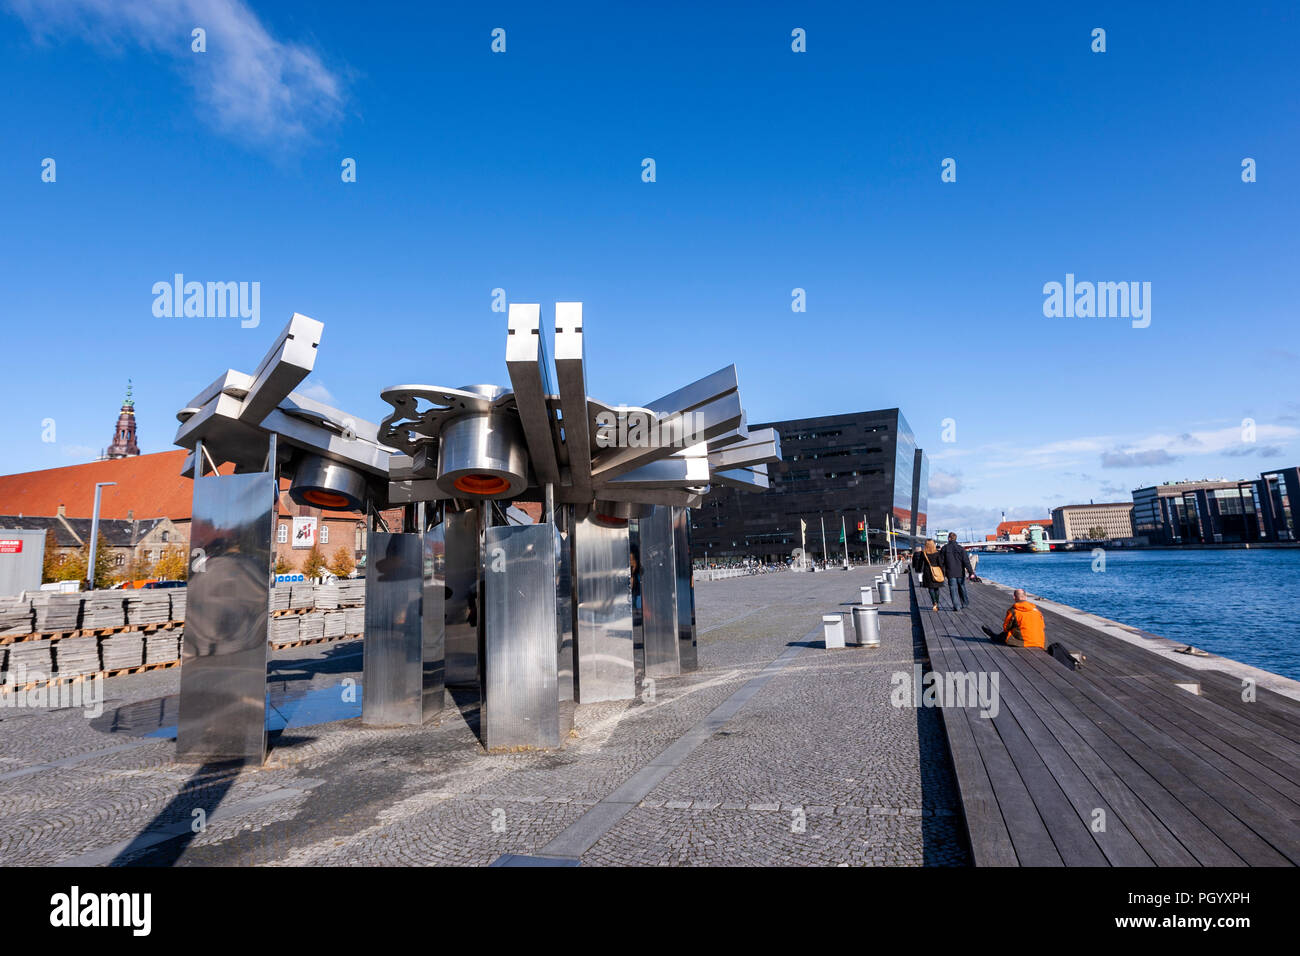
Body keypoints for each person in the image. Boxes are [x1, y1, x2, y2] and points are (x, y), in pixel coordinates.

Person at [982, 589, 1046, 648]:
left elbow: (1006, 628)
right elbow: (1043, 626)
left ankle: (995, 637)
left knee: (1006, 634)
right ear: (1026, 597)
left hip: (1023, 642)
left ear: (1014, 597)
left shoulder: (1013, 611)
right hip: (1039, 642)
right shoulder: (1037, 611)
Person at [940, 532, 974, 610]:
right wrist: (971, 572)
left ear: (949, 538)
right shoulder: (961, 548)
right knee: (962, 587)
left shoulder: (944, 548)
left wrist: (943, 572)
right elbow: (966, 561)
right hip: (960, 572)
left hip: (950, 572)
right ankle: (965, 603)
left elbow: (941, 562)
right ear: (955, 538)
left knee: (953, 589)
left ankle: (956, 606)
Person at [914, 540, 945, 611]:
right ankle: (936, 602)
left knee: (930, 588)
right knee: (937, 588)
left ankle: (934, 602)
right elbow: (941, 564)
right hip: (937, 572)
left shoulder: (924, 553)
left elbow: (920, 563)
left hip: (927, 572)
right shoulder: (937, 553)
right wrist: (943, 573)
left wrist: (918, 570)